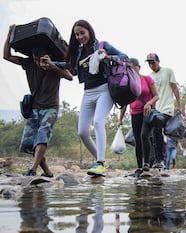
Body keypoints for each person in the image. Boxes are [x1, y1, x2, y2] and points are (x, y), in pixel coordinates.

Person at [3, 25, 73, 177]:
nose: (37, 62)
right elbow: (6, 56)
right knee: (28, 143)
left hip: (51, 107)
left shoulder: (54, 65)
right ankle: (47, 171)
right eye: (35, 59)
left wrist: (52, 66)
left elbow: (70, 76)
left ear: (47, 56)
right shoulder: (28, 63)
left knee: (42, 135)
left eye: (40, 59)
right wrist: (9, 34)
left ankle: (33, 169)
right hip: (35, 108)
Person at [65, 19, 129, 176]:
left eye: (82, 33)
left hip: (104, 90)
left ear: (89, 31)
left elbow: (125, 57)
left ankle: (100, 163)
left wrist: (107, 57)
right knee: (82, 132)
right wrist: (51, 63)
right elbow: (70, 68)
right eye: (77, 34)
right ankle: (101, 161)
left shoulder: (102, 45)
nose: (80, 37)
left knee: (99, 122)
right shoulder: (79, 52)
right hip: (87, 92)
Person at [118, 58, 159, 177]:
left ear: (139, 67)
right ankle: (139, 166)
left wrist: (148, 103)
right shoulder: (127, 82)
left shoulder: (147, 79)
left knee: (144, 136)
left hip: (147, 112)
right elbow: (124, 103)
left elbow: (156, 96)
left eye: (133, 67)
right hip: (134, 113)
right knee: (137, 139)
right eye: (129, 68)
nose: (132, 70)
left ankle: (147, 163)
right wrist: (120, 119)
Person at [145, 53, 182, 169]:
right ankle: (152, 159)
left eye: (153, 62)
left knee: (157, 130)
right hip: (155, 109)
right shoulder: (149, 77)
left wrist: (179, 105)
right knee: (150, 134)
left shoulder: (168, 71)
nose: (151, 65)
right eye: (149, 63)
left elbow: (175, 88)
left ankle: (160, 160)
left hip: (167, 108)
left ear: (158, 61)